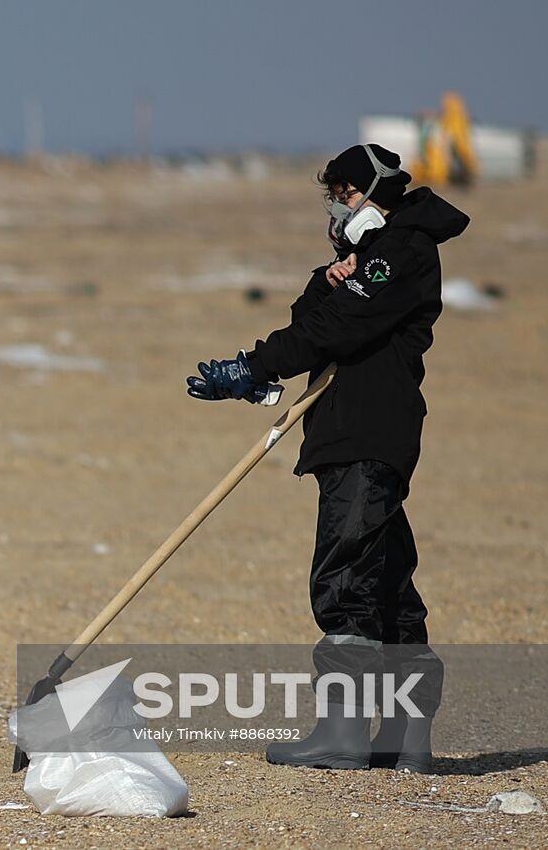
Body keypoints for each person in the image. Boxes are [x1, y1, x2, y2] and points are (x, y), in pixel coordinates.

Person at [186, 144, 469, 774]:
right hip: (351, 434)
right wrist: (331, 276)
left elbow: (339, 330)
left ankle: (343, 734)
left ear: (378, 192)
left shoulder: (405, 249)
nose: (339, 208)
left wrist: (253, 366)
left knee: (344, 574)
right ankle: (405, 737)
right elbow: (316, 319)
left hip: (370, 431)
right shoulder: (369, 259)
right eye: (334, 198)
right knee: (387, 579)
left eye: (346, 195)